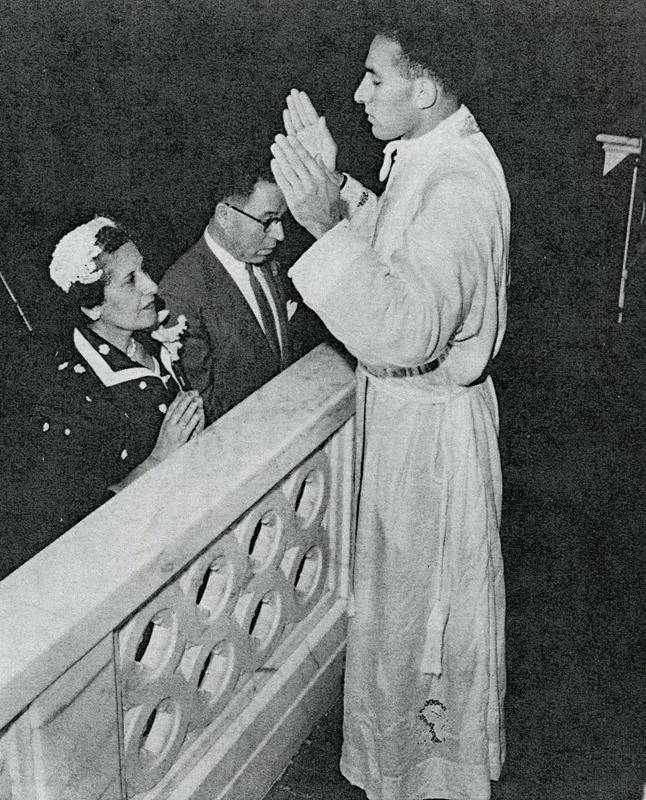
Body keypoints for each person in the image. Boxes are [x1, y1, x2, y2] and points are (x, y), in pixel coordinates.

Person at [270, 11, 510, 800]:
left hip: (430, 449)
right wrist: (338, 186)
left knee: (426, 642)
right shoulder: (432, 155)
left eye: (375, 78)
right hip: (410, 434)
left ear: (426, 87)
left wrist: (318, 227)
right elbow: (401, 250)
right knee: (402, 634)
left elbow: (410, 328)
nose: (357, 92)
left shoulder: (461, 184)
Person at [0, 216, 204, 579]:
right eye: (131, 281)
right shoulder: (70, 396)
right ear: (93, 307)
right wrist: (158, 459)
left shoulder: (148, 339)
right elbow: (80, 527)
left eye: (144, 270)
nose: (152, 286)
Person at [159, 160, 309, 425]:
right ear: (225, 216)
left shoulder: (266, 257)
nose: (280, 234)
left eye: (281, 219)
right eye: (268, 221)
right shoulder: (180, 291)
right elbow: (206, 408)